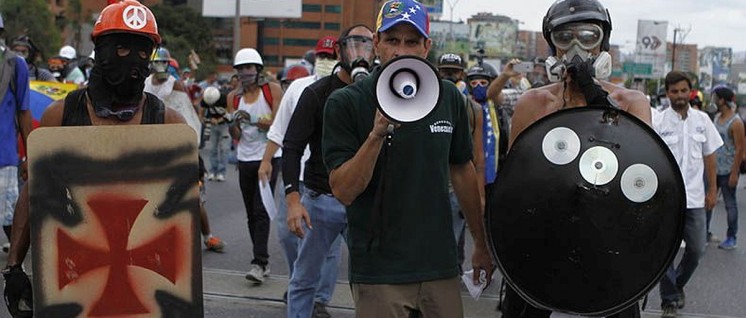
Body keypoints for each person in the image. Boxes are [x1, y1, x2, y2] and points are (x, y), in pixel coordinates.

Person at [3, 1, 186, 317]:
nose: (132, 59)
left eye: (143, 52)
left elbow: (179, 214)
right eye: (121, 48)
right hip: (72, 273)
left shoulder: (168, 124)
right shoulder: (59, 117)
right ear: (100, 50)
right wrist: (14, 266)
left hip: (140, 280)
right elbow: (35, 192)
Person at [322, 1, 493, 316]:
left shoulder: (449, 98)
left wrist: (481, 244)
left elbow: (462, 171)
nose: (401, 51)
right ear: (377, 44)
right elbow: (344, 190)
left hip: (439, 265)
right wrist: (375, 135)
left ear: (426, 46)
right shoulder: (346, 102)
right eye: (392, 40)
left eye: (412, 42)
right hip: (379, 270)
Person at [506, 0, 652, 316]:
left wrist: (595, 96)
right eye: (564, 37)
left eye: (587, 36)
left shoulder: (631, 102)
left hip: (608, 239)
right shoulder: (532, 103)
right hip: (542, 239)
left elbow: (639, 168)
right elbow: (513, 181)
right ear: (552, 46)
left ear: (603, 43)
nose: (575, 47)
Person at [283, 25, 375, 318]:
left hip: (365, 201)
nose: (359, 53)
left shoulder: (381, 93)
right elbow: (292, 146)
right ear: (339, 50)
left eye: (367, 45)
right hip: (320, 198)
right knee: (305, 277)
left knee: (374, 280)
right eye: (353, 45)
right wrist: (293, 201)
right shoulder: (316, 94)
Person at [256, 35, 339, 303]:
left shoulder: (345, 91)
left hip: (325, 181)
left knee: (326, 246)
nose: (326, 62)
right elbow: (279, 129)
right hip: (295, 174)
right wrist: (266, 160)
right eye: (322, 57)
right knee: (287, 234)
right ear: (314, 59)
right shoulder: (299, 88)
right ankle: (299, 284)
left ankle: (319, 299)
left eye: (331, 57)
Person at [653, 71, 722, 317]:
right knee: (665, 253)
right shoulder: (658, 122)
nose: (680, 96)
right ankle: (669, 301)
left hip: (694, 198)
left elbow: (710, 157)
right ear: (667, 93)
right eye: (674, 91)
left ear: (690, 92)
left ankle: (677, 285)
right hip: (665, 199)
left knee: (696, 250)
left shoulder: (702, 120)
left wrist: (713, 189)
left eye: (684, 91)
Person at [226, 47, 283, 284]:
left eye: (249, 68)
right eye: (241, 69)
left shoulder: (272, 90)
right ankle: (262, 261)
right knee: (251, 212)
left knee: (260, 210)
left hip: (268, 156)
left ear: (258, 69)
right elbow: (235, 135)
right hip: (245, 157)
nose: (245, 73)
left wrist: (256, 122)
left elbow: (277, 124)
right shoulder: (233, 98)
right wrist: (234, 123)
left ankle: (259, 262)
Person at [437, 52, 485, 271]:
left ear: (462, 75)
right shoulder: (423, 101)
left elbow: (477, 157)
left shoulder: (473, 109)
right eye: (444, 71)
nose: (448, 76)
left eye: (453, 72)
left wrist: (479, 195)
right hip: (430, 186)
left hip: (455, 188)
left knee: (446, 246)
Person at [0, 14, 32, 257]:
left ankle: (16, 266)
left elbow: (23, 111)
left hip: (4, 155)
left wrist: (30, 154)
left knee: (9, 215)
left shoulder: (14, 64)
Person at [704, 86, 742, 250]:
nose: (713, 101)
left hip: (727, 171)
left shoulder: (736, 122)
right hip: (714, 169)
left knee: (730, 205)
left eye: (716, 98)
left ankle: (731, 237)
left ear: (722, 100)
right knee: (708, 201)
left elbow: (740, 149)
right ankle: (704, 233)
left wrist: (735, 173)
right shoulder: (717, 118)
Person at [201, 86, 232, 181]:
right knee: (213, 149)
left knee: (224, 149)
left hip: (225, 125)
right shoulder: (205, 100)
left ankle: (221, 172)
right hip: (212, 125)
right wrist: (209, 119)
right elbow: (201, 114)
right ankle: (212, 171)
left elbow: (230, 112)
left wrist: (220, 119)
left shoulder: (224, 98)